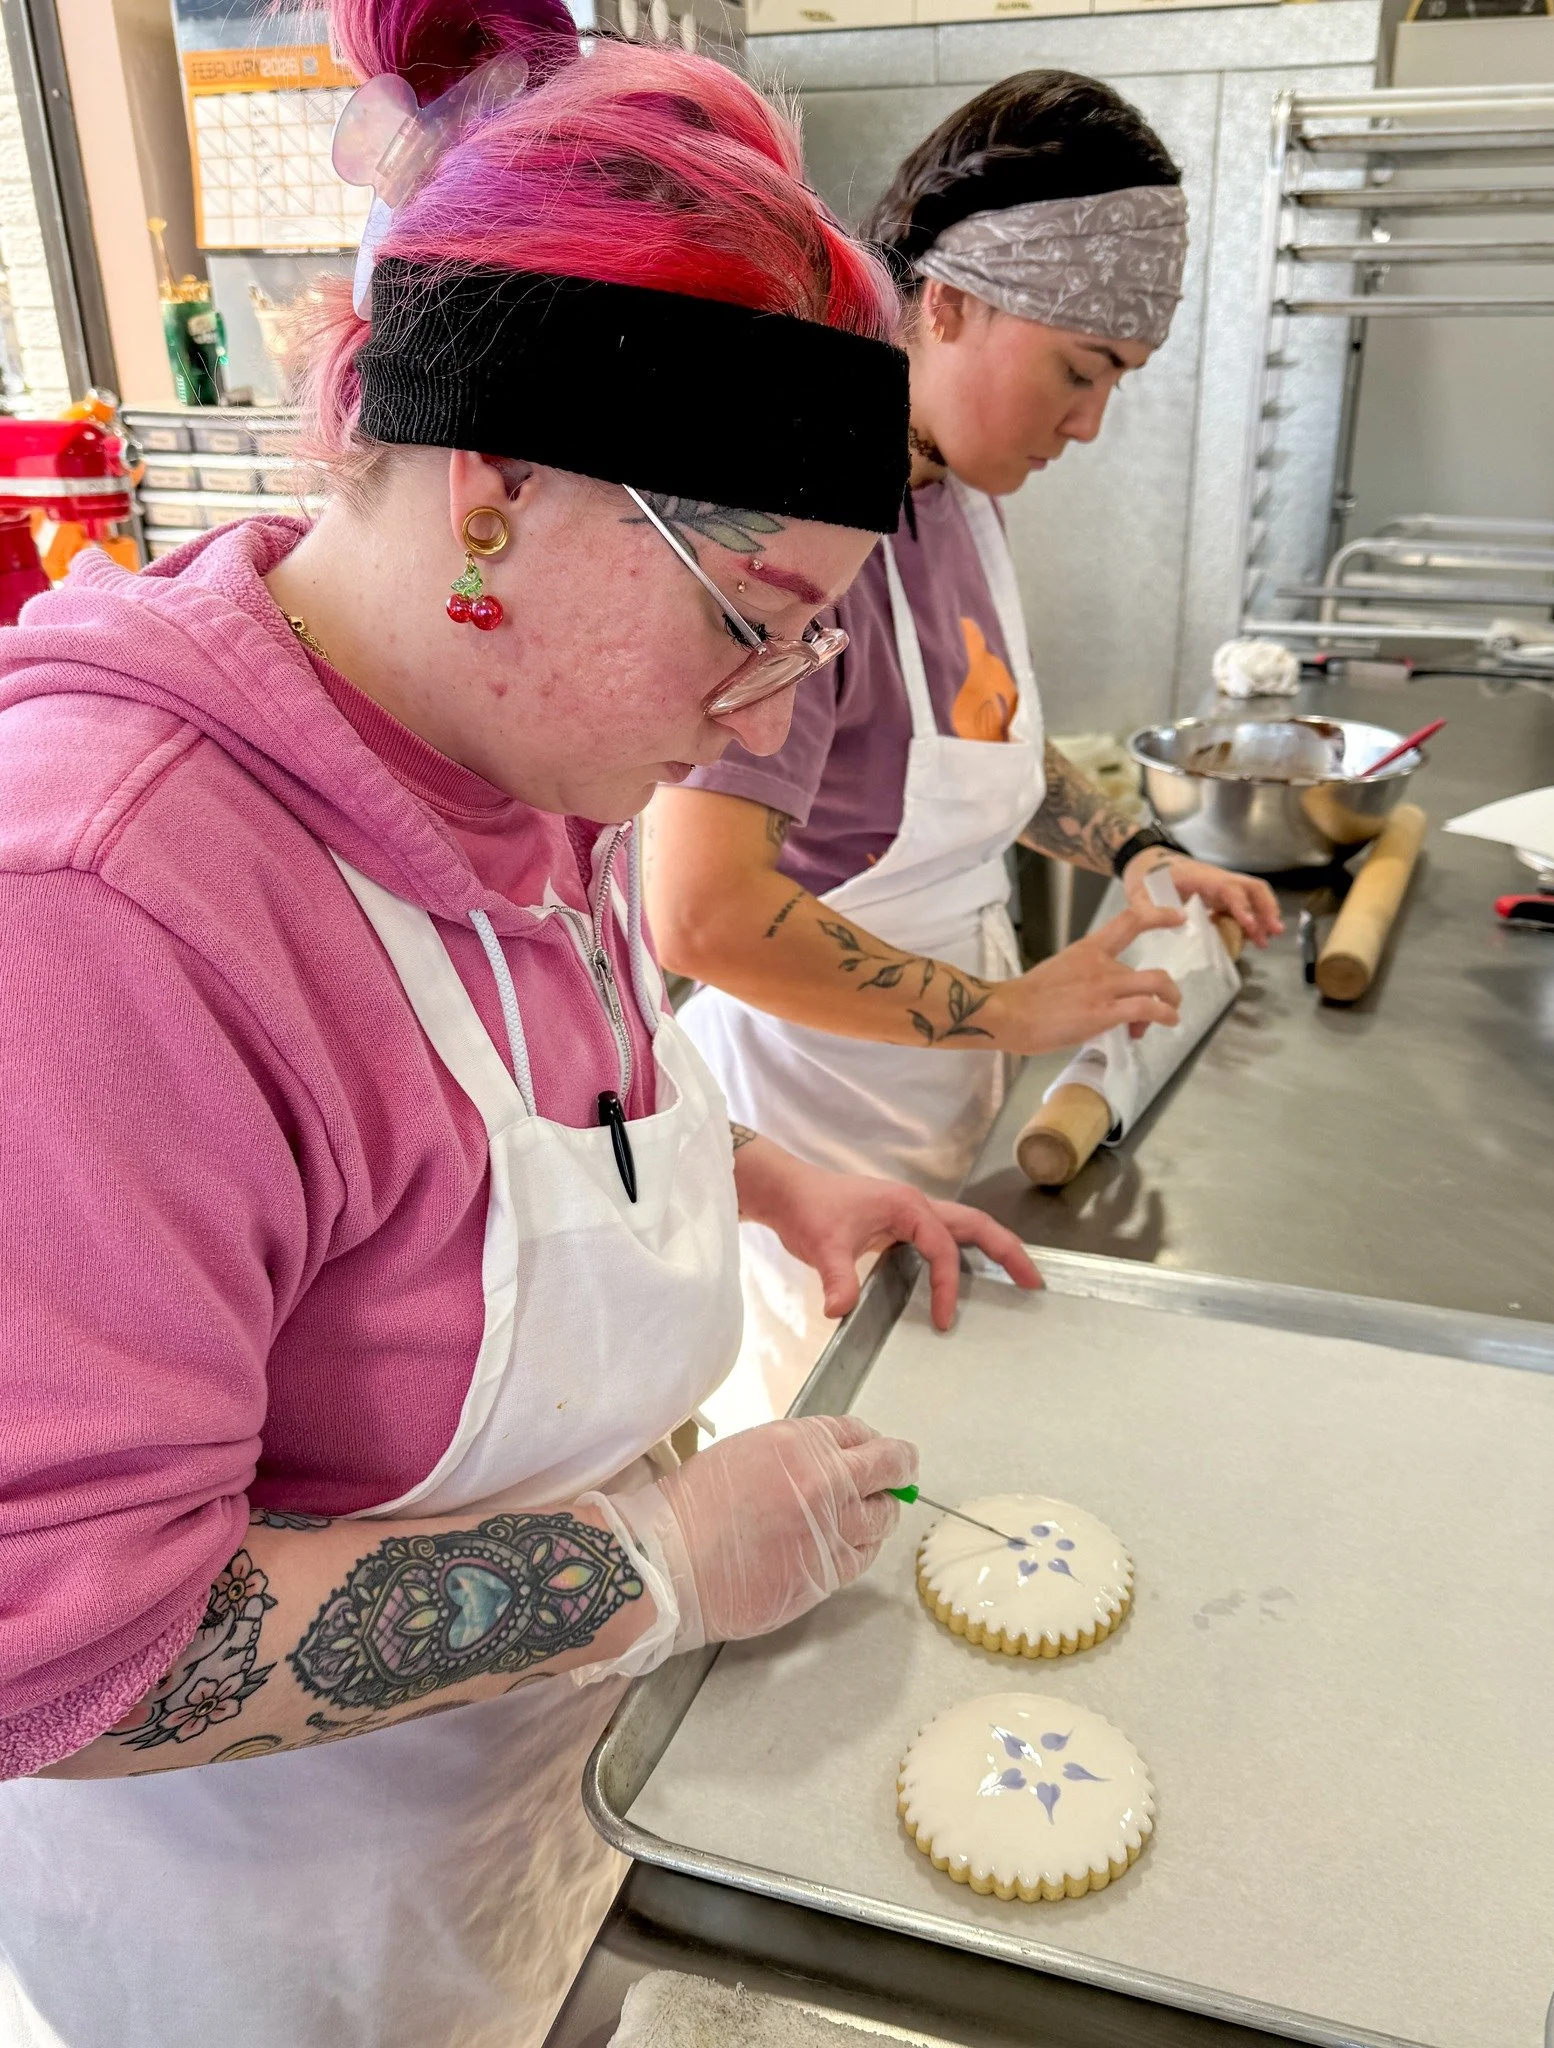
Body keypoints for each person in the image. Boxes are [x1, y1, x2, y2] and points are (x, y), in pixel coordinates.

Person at [0, 9, 1041, 2044]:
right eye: (754, 621)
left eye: (814, 636)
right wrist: (655, 1555)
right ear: (492, 492)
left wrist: (765, 1173)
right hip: (284, 1951)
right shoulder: (103, 918)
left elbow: (498, 1139)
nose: (769, 715)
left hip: (542, 1836)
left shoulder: (527, 759)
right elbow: (65, 1655)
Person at [646, 72, 1283, 1421]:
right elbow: (698, 915)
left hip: (942, 1110)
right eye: (1078, 371)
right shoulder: (805, 539)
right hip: (811, 1137)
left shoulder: (961, 505)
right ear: (945, 304)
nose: (1088, 425)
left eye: (1111, 382)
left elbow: (999, 755)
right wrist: (1006, 1014)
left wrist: (1145, 852)